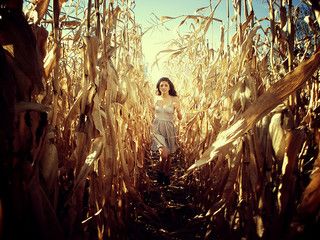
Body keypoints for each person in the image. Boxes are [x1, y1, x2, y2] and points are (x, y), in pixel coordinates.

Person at [151, 77, 182, 185]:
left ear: (169, 87)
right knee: (164, 154)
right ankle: (160, 172)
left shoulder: (174, 99)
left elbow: (180, 117)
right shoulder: (155, 99)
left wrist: (178, 110)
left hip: (169, 127)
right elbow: (151, 114)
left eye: (166, 85)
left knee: (168, 156)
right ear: (159, 88)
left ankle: (166, 175)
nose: (163, 87)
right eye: (161, 85)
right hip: (157, 128)